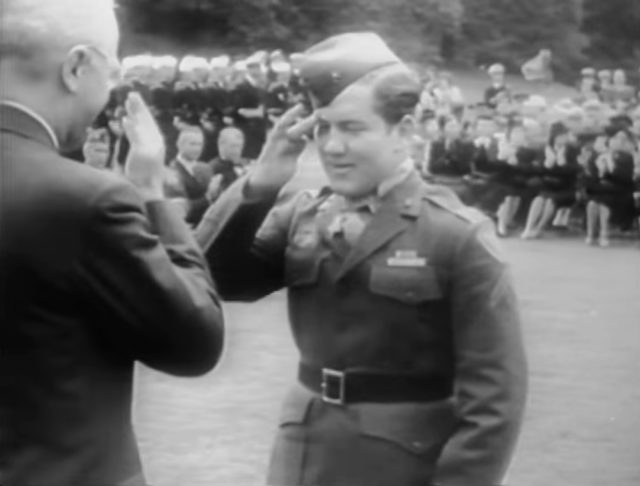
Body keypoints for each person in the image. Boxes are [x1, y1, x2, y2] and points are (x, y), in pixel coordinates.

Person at [196, 32, 527, 486]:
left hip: (403, 467)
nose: (331, 146)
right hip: (303, 455)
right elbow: (213, 279)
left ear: (404, 131)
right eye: (323, 128)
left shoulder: (457, 235)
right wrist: (260, 184)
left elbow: (495, 402)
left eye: (352, 128)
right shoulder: (304, 214)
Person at [0, 1, 225, 485]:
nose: (112, 89)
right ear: (76, 66)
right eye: (111, 67)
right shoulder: (85, 200)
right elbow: (194, 341)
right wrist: (151, 194)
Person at [164, 125, 216, 226]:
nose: (197, 149)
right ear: (179, 145)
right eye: (192, 144)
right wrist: (208, 197)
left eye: (200, 144)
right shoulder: (172, 172)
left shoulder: (206, 168)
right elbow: (180, 208)